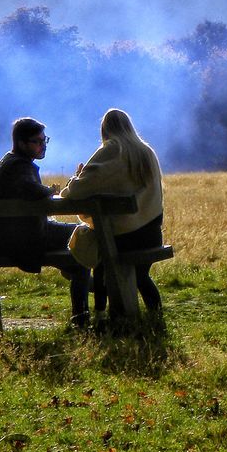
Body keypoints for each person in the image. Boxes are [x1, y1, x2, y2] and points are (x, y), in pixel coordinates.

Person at [0, 116, 92, 326]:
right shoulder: (19, 166)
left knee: (81, 235)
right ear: (22, 143)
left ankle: (91, 288)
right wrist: (51, 190)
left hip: (12, 236)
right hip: (23, 241)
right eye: (38, 141)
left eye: (45, 140)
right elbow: (34, 191)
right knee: (82, 245)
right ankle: (82, 316)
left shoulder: (10, 162)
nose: (43, 146)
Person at [60, 108, 165, 316]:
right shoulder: (146, 151)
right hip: (152, 234)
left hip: (124, 237)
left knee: (100, 250)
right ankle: (156, 316)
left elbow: (79, 189)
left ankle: (99, 313)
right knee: (141, 276)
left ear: (105, 130)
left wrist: (75, 178)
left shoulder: (112, 149)